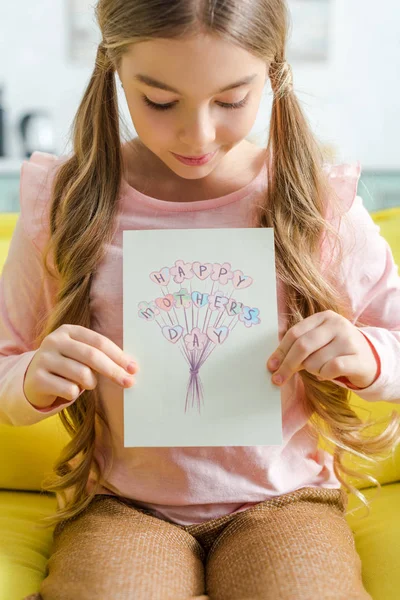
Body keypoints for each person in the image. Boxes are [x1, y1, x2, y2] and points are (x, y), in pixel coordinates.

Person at [2, 0, 400, 598]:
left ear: (271, 74)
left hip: (285, 502)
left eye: (232, 100)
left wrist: (366, 356)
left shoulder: (315, 200)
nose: (198, 135)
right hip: (124, 505)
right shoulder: (65, 200)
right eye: (159, 102)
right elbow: (8, 359)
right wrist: (34, 378)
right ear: (113, 71)